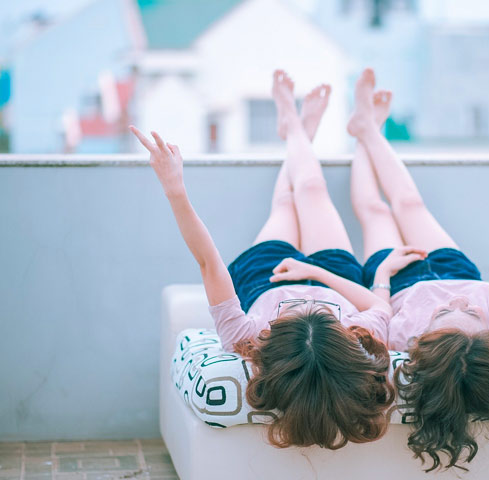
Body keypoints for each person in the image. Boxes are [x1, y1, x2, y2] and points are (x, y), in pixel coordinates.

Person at [130, 70, 403, 450]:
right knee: (311, 187)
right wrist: (314, 273)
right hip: (331, 274)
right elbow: (377, 304)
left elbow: (209, 262)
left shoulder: (246, 339)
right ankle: (295, 129)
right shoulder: (359, 341)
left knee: (287, 201)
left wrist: (175, 189)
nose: (306, 305)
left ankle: (295, 128)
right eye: (321, 317)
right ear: (342, 338)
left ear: (272, 339)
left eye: (294, 316)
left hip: (265, 278)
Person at [347, 68, 489, 471]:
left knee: (374, 211)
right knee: (409, 203)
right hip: (457, 268)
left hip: (397, 278)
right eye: (473, 312)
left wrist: (382, 273)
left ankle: (364, 133)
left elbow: (377, 308)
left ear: (424, 344)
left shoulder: (403, 341)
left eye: (444, 314)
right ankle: (368, 129)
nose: (457, 303)